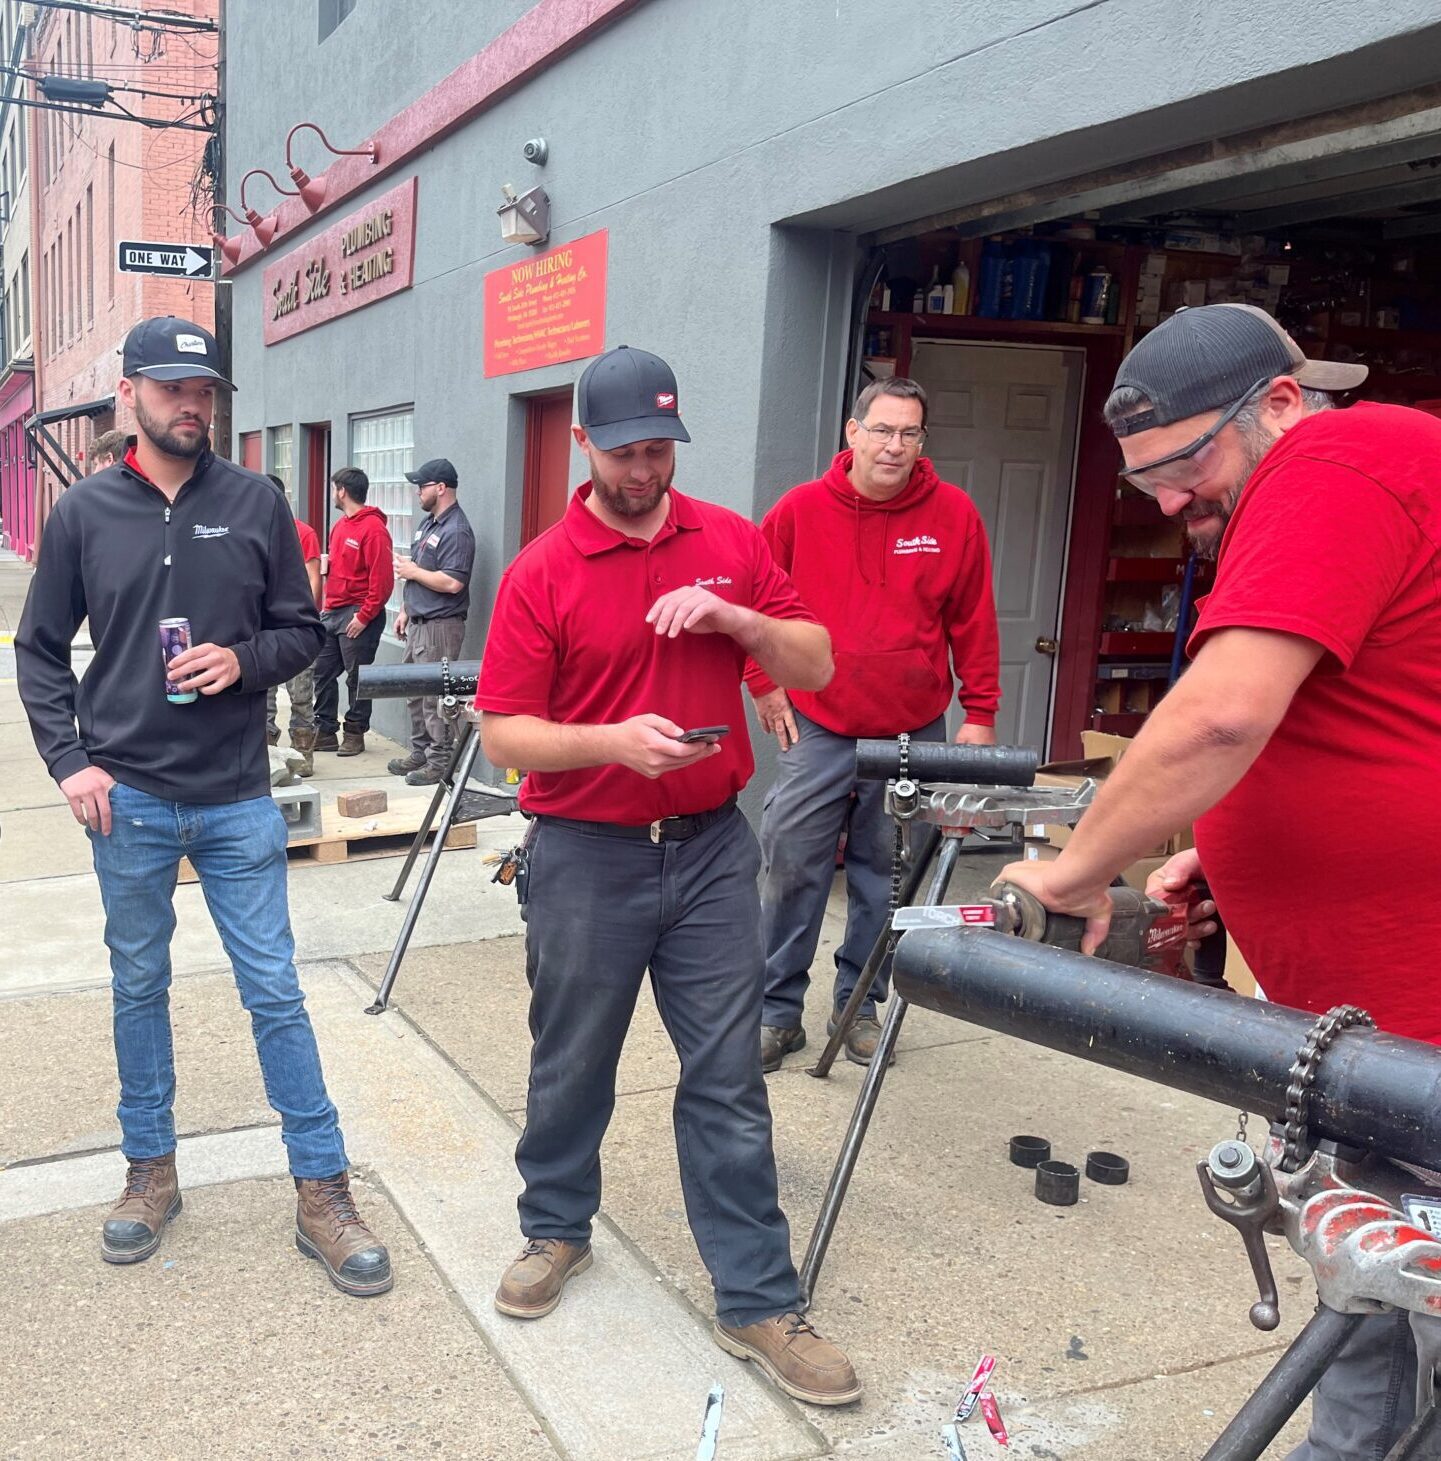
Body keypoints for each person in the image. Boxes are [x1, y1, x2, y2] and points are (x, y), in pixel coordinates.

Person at [996, 302, 1436, 1460]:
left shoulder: (1334, 457)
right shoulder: (1354, 476)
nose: (1174, 503)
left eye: (1187, 467)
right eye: (1147, 487)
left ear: (1280, 403)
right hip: (1384, 1029)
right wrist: (1235, 851)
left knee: (1374, 1382)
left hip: (1422, 1043)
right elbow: (1374, 713)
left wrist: (1077, 871)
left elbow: (1224, 712)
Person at [476, 345, 861, 1406]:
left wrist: (739, 623)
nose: (648, 471)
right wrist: (610, 745)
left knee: (728, 1075)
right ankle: (555, 1231)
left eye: (662, 450)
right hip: (584, 858)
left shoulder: (730, 544)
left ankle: (755, 1297)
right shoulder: (541, 570)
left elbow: (817, 663)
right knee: (572, 1061)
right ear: (585, 445)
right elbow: (504, 734)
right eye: (629, 451)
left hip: (709, 850)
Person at [15, 315, 391, 1296]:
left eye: (206, 390)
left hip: (234, 801)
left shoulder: (257, 505)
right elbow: (39, 650)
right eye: (175, 388)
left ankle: (322, 1188)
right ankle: (151, 1171)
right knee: (139, 985)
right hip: (126, 799)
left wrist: (242, 660)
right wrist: (70, 763)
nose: (194, 404)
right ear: (130, 396)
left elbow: (303, 632)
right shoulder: (84, 514)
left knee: (273, 987)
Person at [748, 377, 1000, 1071]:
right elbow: (754, 602)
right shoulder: (798, 511)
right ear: (852, 433)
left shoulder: (953, 515)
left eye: (909, 433)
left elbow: (972, 618)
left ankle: (859, 1004)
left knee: (884, 876)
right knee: (793, 861)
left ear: (922, 441)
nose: (895, 445)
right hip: (818, 722)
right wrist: (763, 683)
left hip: (912, 730)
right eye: (882, 429)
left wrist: (978, 714)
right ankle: (775, 1012)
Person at [386, 456, 476, 786]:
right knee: (414, 692)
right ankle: (421, 752)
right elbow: (424, 572)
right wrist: (406, 610)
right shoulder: (429, 524)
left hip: (440, 627)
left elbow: (453, 583)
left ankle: (440, 762)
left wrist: (413, 571)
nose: (416, 493)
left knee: (435, 697)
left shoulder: (457, 530)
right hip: (419, 623)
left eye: (420, 487)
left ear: (440, 488)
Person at [312, 466, 393, 757]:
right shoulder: (341, 526)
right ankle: (324, 731)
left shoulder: (374, 529)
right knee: (321, 672)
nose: (334, 493)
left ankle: (355, 733)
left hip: (358, 613)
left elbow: (382, 582)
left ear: (342, 490)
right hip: (332, 611)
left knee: (357, 678)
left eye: (335, 488)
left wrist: (364, 616)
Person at [264, 473, 323, 774]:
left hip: (294, 629)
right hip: (263, 632)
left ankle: (303, 757)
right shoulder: (254, 529)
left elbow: (314, 579)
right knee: (265, 699)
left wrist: (301, 619)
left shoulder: (303, 533)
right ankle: (267, 757)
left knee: (301, 697)